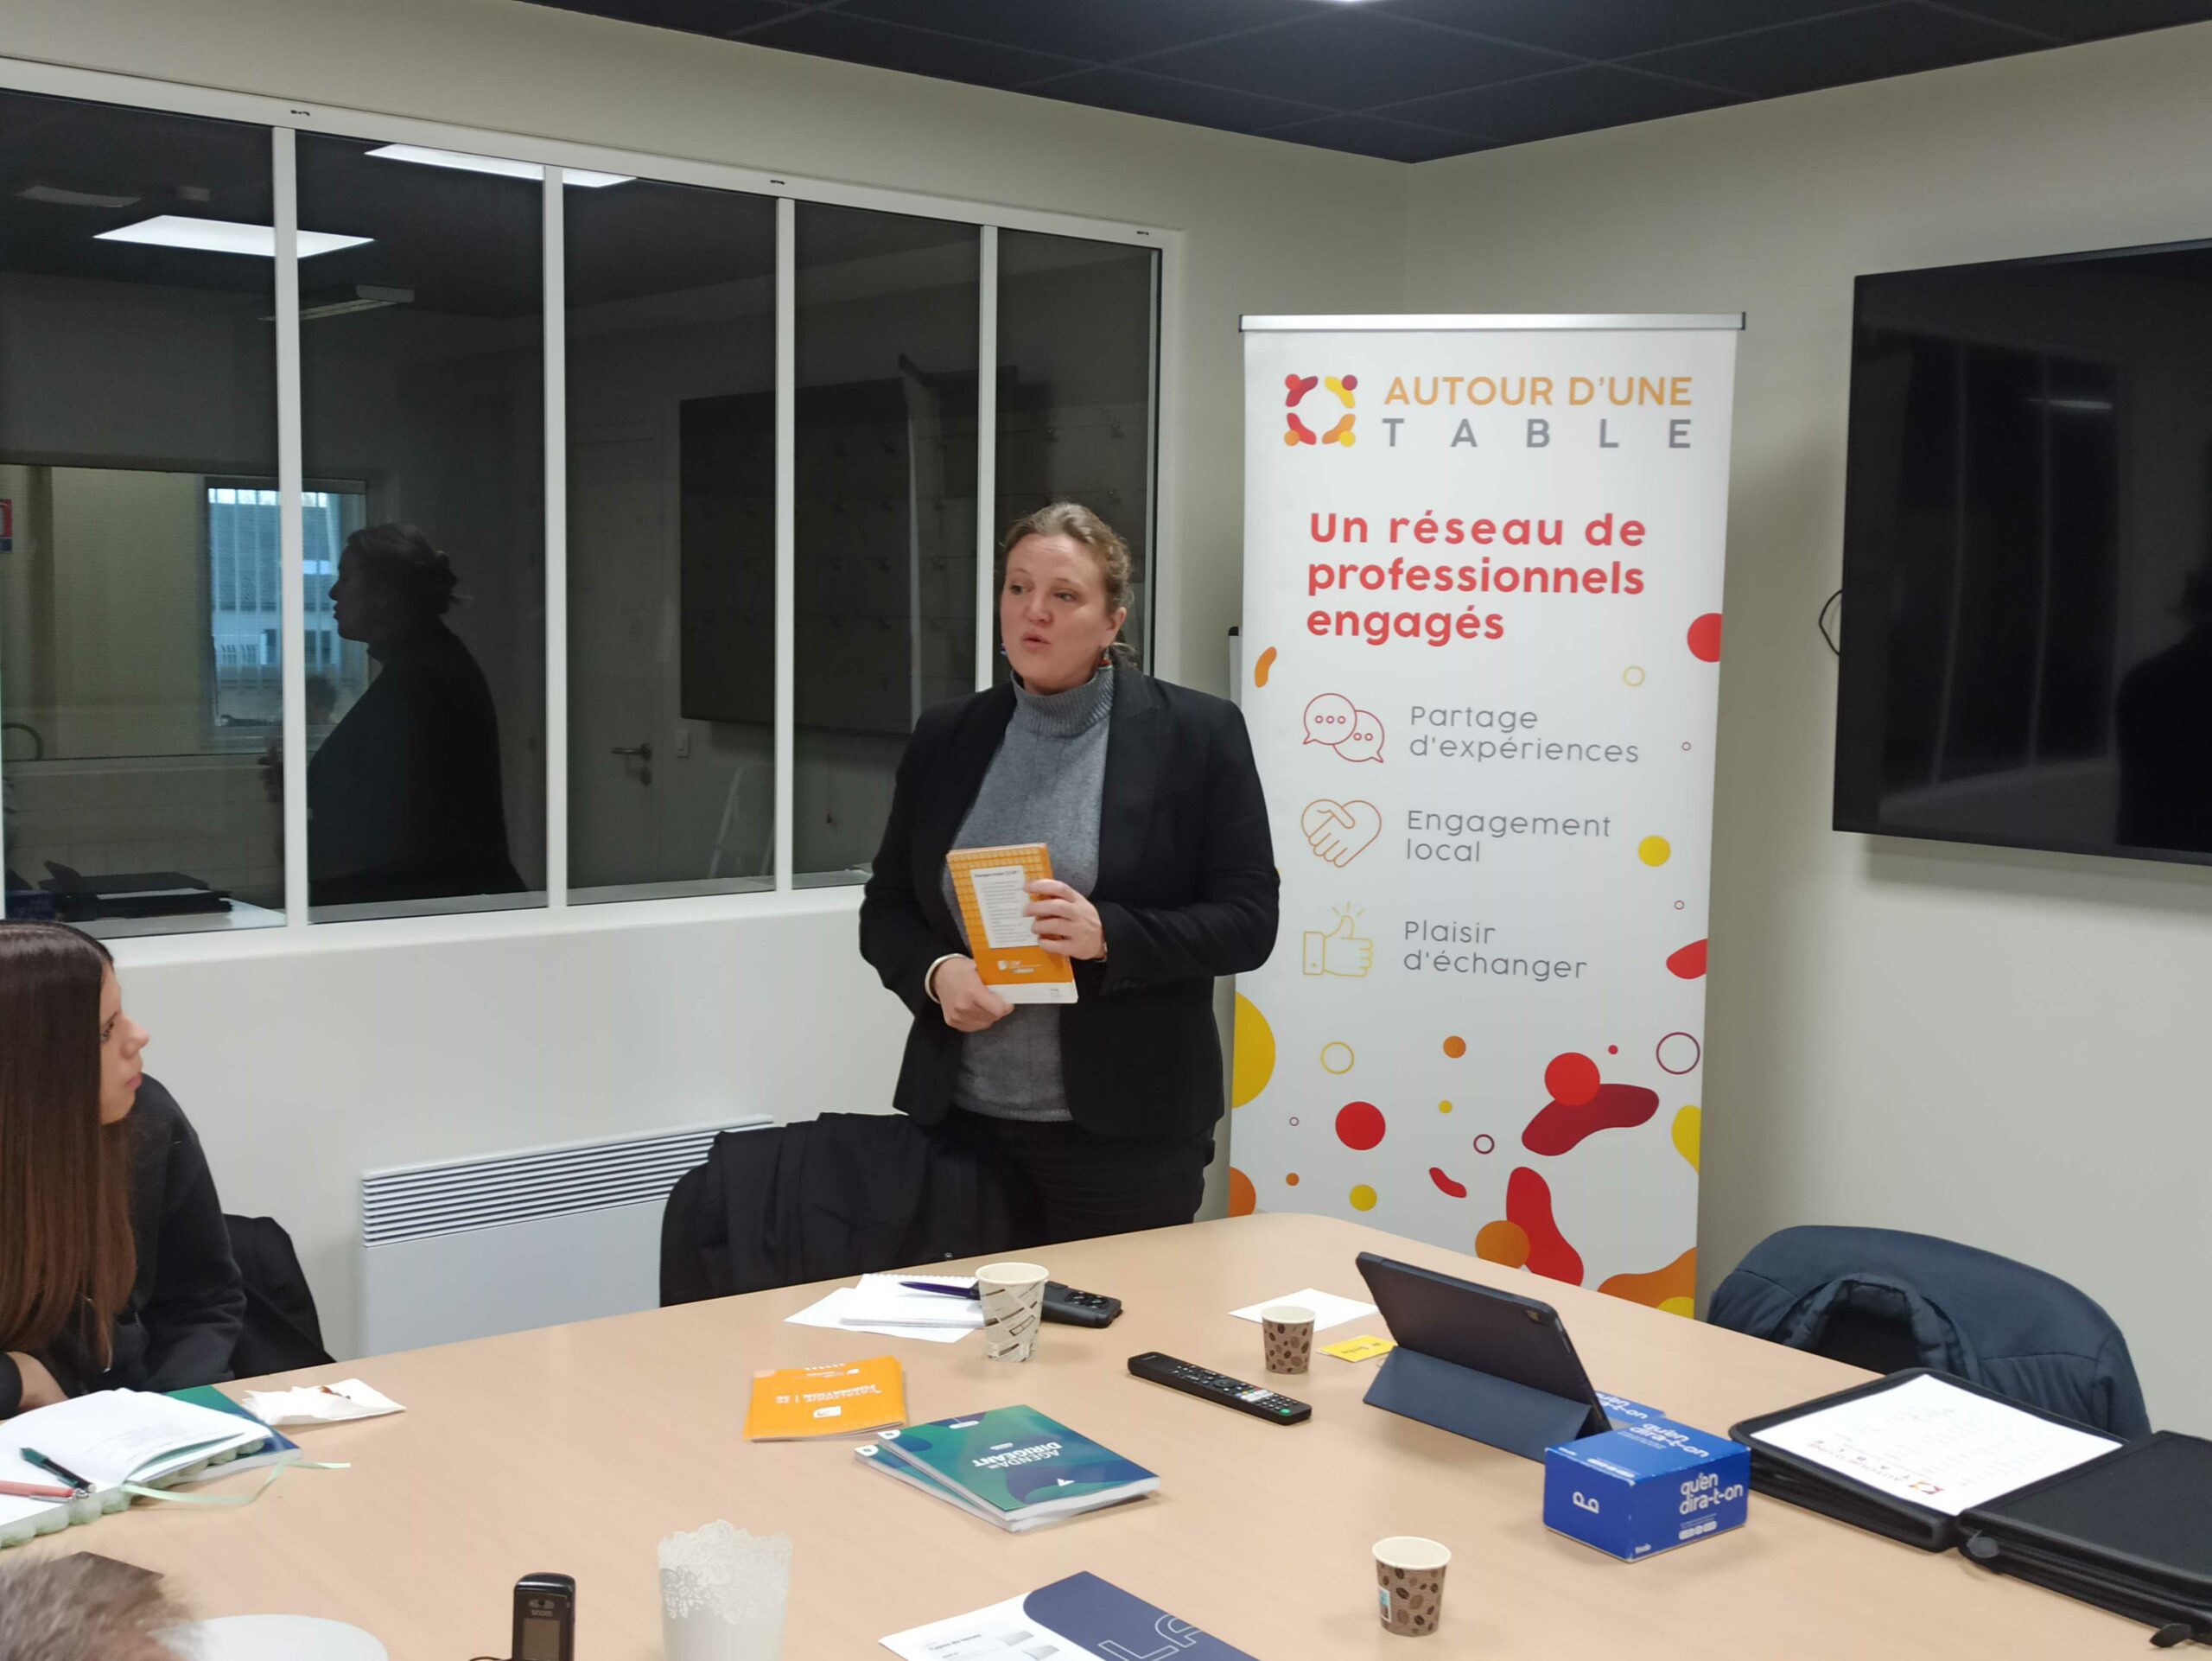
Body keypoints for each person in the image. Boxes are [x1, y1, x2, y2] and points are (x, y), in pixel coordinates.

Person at [861, 502, 1278, 1244]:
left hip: (1126, 1135)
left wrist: (1108, 935)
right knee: (965, 1321)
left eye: (1064, 595)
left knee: (1115, 1321)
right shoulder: (948, 735)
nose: (1034, 611)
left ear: (1114, 621)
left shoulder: (1195, 734)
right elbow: (888, 906)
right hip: (962, 1122)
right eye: (1018, 588)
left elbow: (1249, 923)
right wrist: (936, 973)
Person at [0, 923, 245, 1419]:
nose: (138, 1036)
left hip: (134, 1422)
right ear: (28, 1067)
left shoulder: (146, 1118)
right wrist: (19, 1377)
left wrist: (172, 1419)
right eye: (104, 1032)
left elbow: (200, 1302)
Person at [308, 522, 525, 907]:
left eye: (345, 578)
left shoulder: (421, 678)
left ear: (383, 594)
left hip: (431, 914)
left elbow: (393, 826)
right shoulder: (427, 664)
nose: (333, 592)